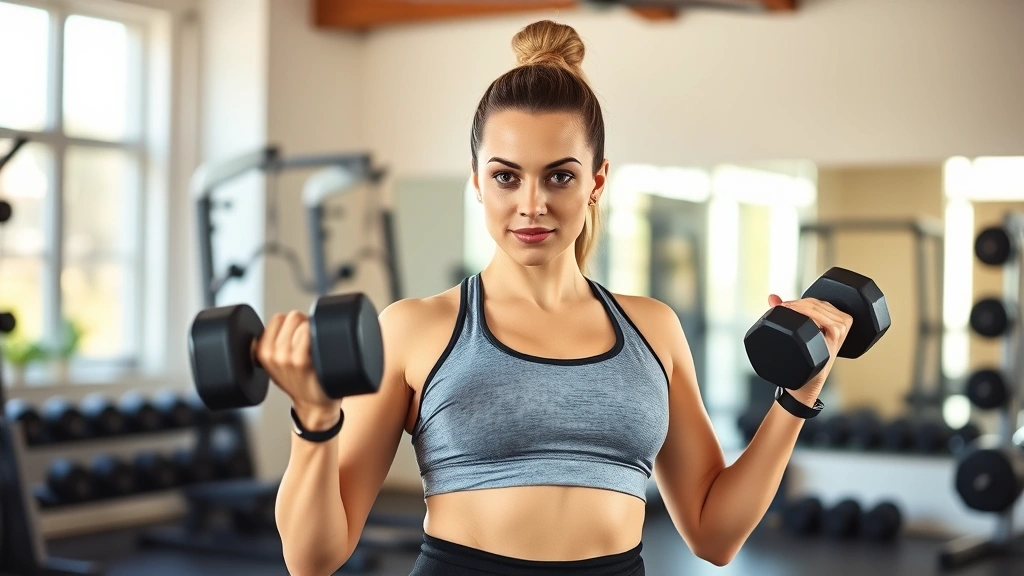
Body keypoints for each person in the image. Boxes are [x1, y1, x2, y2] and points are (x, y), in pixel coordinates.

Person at [262, 19, 852, 576]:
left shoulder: (653, 329)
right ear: (476, 180)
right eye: (506, 176)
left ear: (597, 182)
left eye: (560, 175)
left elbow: (714, 535)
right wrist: (314, 420)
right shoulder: (418, 328)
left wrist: (797, 397)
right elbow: (313, 560)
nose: (532, 203)